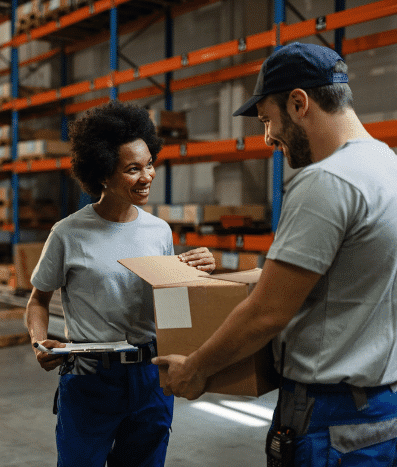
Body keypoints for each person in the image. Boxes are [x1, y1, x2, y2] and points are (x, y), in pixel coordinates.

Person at [154, 42, 397, 465]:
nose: (268, 137)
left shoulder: (326, 181)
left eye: (267, 119)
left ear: (299, 103)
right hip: (381, 409)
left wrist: (195, 370)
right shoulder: (387, 165)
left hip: (328, 419)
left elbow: (268, 312)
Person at [26, 100, 216, 467]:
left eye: (149, 165)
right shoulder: (68, 234)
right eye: (132, 169)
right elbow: (37, 299)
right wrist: (38, 342)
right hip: (90, 380)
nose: (146, 176)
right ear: (102, 174)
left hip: (150, 377)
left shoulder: (158, 231)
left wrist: (193, 275)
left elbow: (170, 307)